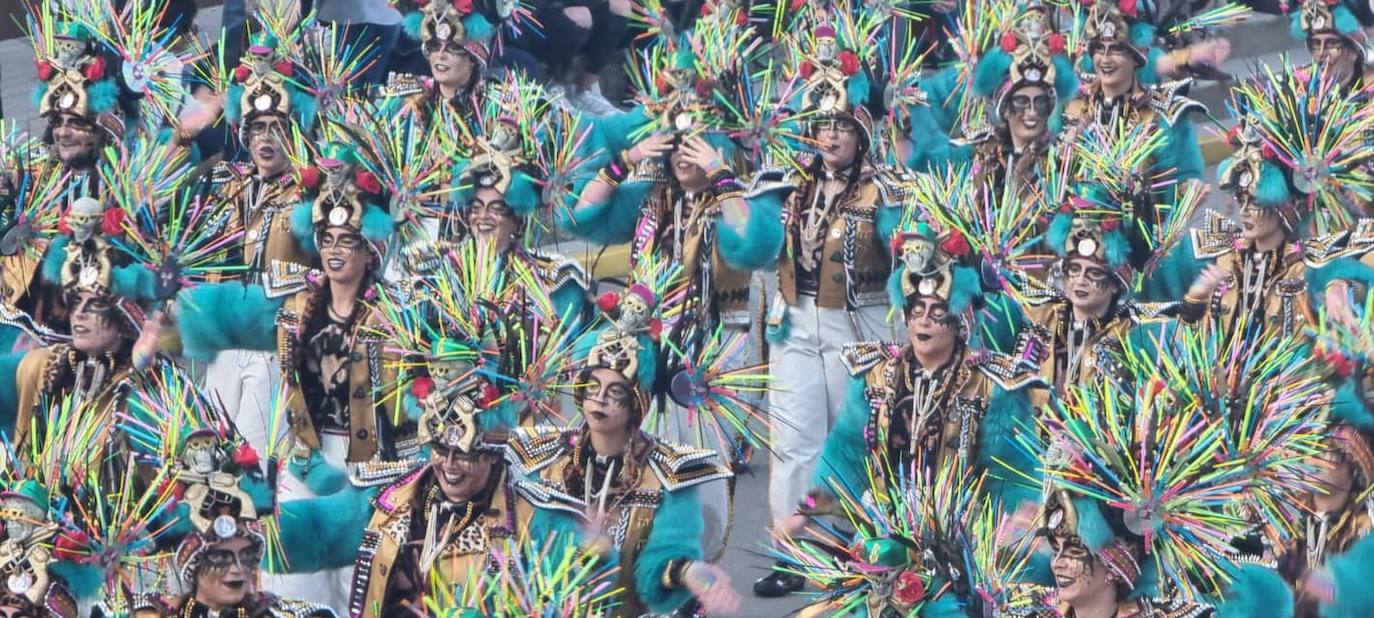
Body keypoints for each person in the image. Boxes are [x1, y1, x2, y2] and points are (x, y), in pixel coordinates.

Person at [755, 14, 915, 597]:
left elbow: (910, 260)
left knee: (857, 438)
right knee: (793, 435)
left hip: (862, 325)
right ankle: (791, 553)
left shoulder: (889, 190)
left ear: (863, 129)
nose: (829, 137)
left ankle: (862, 550)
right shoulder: (790, 182)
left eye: (842, 126)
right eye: (821, 125)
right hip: (795, 321)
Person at [773, 220, 1041, 542]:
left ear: (960, 319)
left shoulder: (991, 386)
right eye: (916, 309)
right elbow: (846, 454)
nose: (924, 320)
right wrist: (804, 512)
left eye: (938, 311)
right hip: (883, 540)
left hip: (962, 545)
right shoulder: (875, 375)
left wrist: (1013, 531)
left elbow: (1010, 473)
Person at [507, 283, 741, 616]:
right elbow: (530, 559)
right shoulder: (546, 462)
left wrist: (696, 575)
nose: (600, 399)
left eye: (615, 392)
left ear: (636, 404)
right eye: (593, 386)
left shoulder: (667, 475)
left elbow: (665, 560)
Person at [202, 31, 319, 466]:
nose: (266, 139)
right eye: (257, 129)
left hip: (276, 341)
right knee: (210, 449)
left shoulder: (311, 195)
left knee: (253, 454)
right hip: (226, 338)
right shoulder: (227, 187)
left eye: (277, 129)